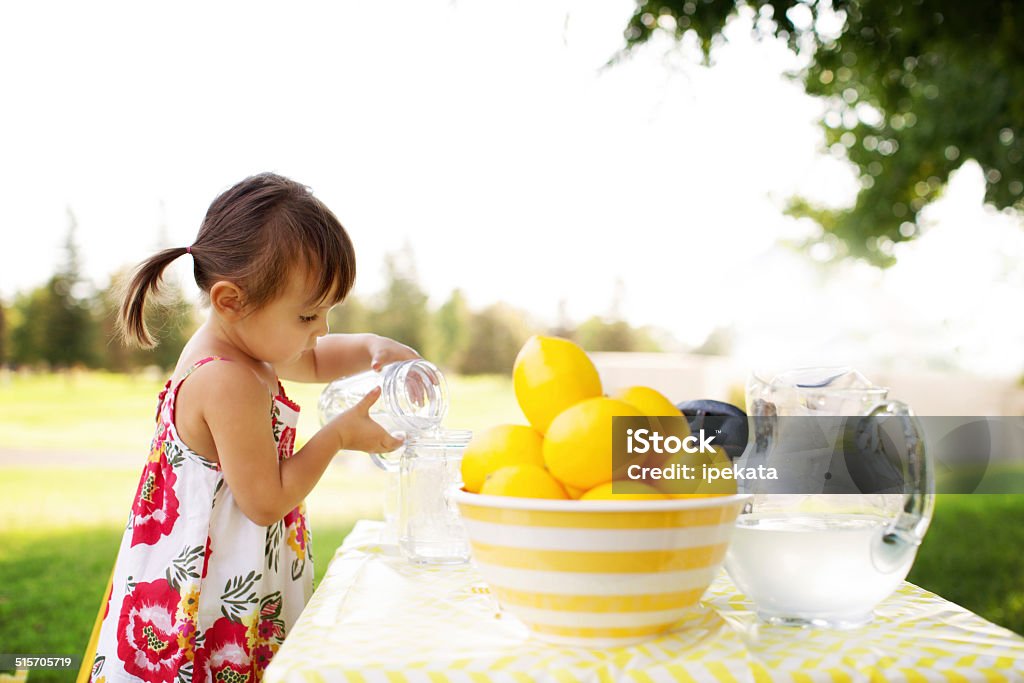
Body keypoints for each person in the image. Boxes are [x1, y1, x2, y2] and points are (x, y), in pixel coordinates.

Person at [86, 173, 416, 682]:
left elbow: (315, 359)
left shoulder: (247, 345)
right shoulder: (227, 379)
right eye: (309, 315)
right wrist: (340, 436)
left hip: (236, 577)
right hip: (206, 600)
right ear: (230, 300)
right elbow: (265, 501)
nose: (321, 329)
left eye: (327, 312)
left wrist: (370, 347)